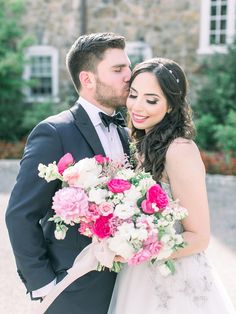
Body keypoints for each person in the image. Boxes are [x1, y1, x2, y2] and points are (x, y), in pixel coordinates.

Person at [5, 32, 131, 314]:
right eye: (118, 69)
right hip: (73, 289)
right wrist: (46, 284)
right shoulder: (54, 133)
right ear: (87, 79)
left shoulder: (126, 134)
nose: (129, 76)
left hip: (126, 287)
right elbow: (20, 214)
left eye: (129, 67)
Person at [108, 58, 236, 314]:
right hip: (135, 277)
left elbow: (199, 238)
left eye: (151, 100)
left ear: (170, 106)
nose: (137, 106)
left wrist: (140, 249)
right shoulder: (140, 144)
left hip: (174, 280)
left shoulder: (180, 150)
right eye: (134, 95)